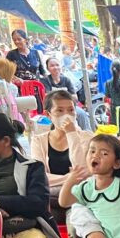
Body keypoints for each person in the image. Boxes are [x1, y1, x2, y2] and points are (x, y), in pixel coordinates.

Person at [30, 89, 95, 223]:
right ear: (48, 115)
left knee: (76, 220)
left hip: (79, 196)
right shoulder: (39, 140)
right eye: (60, 111)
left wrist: (71, 134)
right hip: (52, 197)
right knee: (44, 220)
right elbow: (39, 175)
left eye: (71, 110)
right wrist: (70, 178)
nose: (67, 115)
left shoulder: (87, 137)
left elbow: (83, 170)